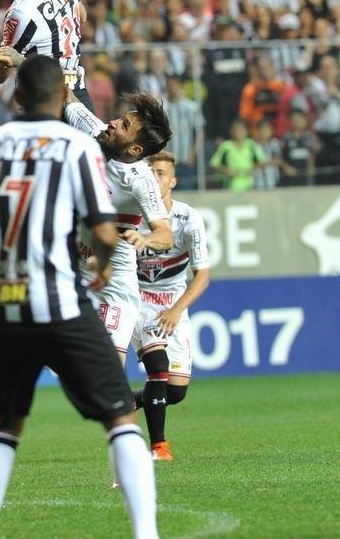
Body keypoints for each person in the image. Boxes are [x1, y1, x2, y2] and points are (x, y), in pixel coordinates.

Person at [0, 55, 159, 539]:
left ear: (16, 96)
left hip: (4, 304)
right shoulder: (79, 150)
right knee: (120, 414)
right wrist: (99, 264)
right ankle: (145, 534)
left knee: (6, 426)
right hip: (59, 298)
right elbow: (102, 228)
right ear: (61, 97)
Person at [0, 84, 175, 423]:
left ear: (135, 148)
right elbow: (68, 96)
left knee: (107, 376)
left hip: (114, 286)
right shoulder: (93, 132)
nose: (111, 123)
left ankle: (128, 467)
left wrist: (145, 239)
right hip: (73, 270)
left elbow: (165, 232)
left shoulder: (141, 180)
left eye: (122, 126)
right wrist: (36, 60)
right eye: (119, 117)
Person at [131, 151, 211, 463]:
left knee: (175, 391)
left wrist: (177, 310)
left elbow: (202, 275)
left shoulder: (188, 219)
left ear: (172, 181)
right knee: (158, 365)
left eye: (161, 173)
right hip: (138, 300)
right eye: (150, 172)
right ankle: (159, 447)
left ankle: (124, 404)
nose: (154, 178)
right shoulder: (131, 214)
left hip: (173, 304)